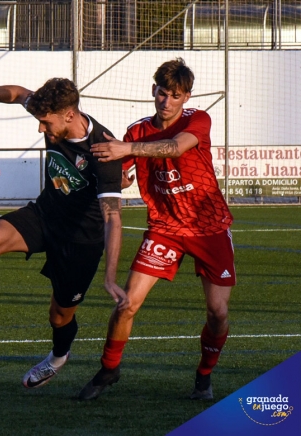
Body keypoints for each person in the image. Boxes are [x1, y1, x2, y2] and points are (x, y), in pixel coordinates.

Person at [0, 78, 126, 390]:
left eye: (46, 123)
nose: (40, 129)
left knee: (59, 316)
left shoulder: (103, 150)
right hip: (46, 213)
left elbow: (113, 217)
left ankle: (58, 358)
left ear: (69, 115)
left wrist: (111, 276)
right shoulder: (50, 111)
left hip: (80, 240)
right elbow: (17, 93)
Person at [81, 58, 235, 401]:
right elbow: (121, 170)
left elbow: (176, 146)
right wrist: (119, 173)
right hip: (164, 228)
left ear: (186, 96)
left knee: (218, 313)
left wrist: (128, 150)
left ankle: (204, 375)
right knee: (126, 304)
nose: (166, 101)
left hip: (209, 226)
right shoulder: (137, 130)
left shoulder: (198, 119)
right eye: (162, 93)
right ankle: (109, 369)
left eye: (175, 95)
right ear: (154, 91)